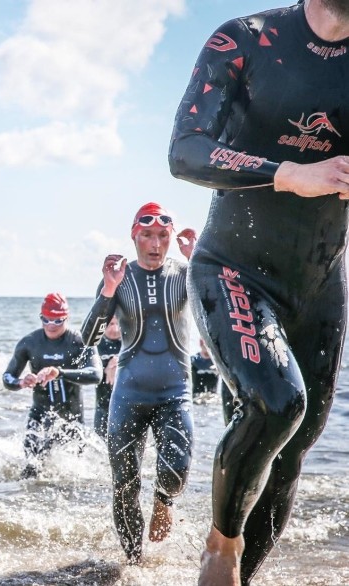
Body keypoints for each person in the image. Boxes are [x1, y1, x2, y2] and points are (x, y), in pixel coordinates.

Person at [168, 2, 349, 584]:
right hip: (233, 270)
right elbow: (187, 150)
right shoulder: (247, 39)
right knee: (279, 404)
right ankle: (221, 547)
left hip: (320, 284)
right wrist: (290, 173)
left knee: (290, 452)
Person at [81, 202, 197, 565]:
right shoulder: (120, 277)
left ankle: (164, 502)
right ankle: (133, 565)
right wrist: (108, 290)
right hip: (129, 393)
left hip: (175, 392)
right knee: (125, 486)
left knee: (176, 471)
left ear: (170, 238)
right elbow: (88, 338)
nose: (155, 243)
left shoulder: (186, 274)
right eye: (147, 234)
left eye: (163, 235)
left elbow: (215, 313)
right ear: (134, 236)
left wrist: (201, 263)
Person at [2, 293, 101, 478]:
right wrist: (21, 382)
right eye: (45, 320)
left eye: (57, 321)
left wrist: (60, 372)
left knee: (75, 477)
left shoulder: (80, 342)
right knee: (30, 473)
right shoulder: (29, 342)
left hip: (71, 418)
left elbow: (95, 375)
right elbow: (7, 377)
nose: (50, 325)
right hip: (39, 415)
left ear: (66, 318)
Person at [93, 315, 121, 439]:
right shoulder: (96, 345)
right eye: (111, 324)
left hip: (130, 406)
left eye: (118, 324)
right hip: (103, 407)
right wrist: (105, 367)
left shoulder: (132, 343)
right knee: (101, 449)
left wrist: (118, 362)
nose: (115, 329)